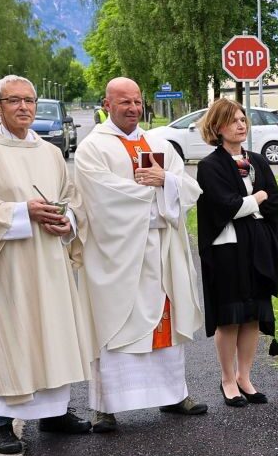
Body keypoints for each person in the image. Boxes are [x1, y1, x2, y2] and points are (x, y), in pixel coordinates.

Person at [0, 75, 93, 455]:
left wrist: (69, 222)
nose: (25, 108)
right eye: (14, 101)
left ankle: (54, 412)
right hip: (5, 267)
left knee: (51, 332)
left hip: (48, 262)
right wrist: (21, 212)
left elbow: (71, 198)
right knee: (8, 339)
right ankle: (0, 422)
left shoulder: (48, 153)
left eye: (29, 100)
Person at [73, 77, 206, 432]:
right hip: (117, 255)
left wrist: (167, 181)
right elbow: (101, 199)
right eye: (123, 103)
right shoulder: (92, 148)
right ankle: (106, 407)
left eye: (137, 102)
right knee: (114, 324)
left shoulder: (158, 141)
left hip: (160, 251)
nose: (133, 109)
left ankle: (173, 394)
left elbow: (189, 187)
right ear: (106, 104)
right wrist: (156, 196)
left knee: (164, 321)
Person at [194, 98, 278, 405]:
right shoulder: (210, 166)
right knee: (231, 315)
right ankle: (226, 379)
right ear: (218, 127)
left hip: (258, 245)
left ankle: (244, 377)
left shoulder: (258, 161)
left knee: (253, 314)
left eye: (243, 119)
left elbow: (274, 200)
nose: (241, 125)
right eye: (233, 120)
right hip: (228, 248)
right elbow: (227, 206)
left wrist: (256, 200)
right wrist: (256, 198)